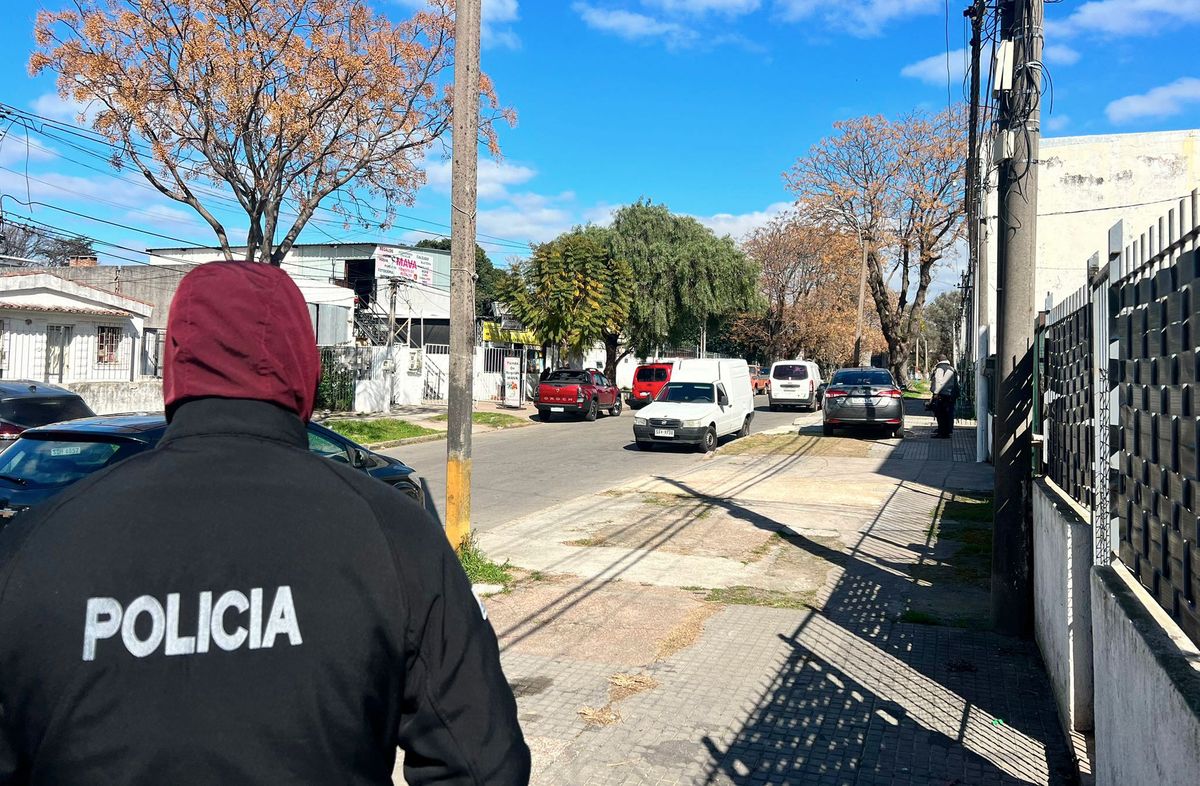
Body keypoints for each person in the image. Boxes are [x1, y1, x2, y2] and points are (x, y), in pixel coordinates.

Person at [0, 262, 530, 785]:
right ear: (306, 366)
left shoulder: (28, 547)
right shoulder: (394, 534)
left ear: (173, 363)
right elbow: (484, 765)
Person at [930, 357, 960, 439]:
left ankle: (942, 432)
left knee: (941, 414)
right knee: (949, 414)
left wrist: (936, 393)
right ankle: (948, 430)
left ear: (937, 360)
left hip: (942, 394)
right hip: (951, 395)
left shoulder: (940, 369)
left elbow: (939, 381)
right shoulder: (951, 368)